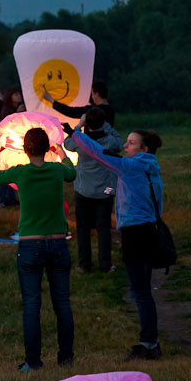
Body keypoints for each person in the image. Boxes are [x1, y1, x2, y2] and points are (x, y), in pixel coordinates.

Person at [70, 123, 165, 360]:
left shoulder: (132, 166)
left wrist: (76, 135)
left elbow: (98, 154)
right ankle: (151, 341)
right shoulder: (152, 168)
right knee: (144, 290)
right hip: (149, 231)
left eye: (131, 143)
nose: (125, 145)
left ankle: (148, 343)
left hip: (134, 234)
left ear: (143, 149)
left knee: (140, 292)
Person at [0, 128, 77, 371]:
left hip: (30, 244)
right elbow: (72, 173)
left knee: (31, 304)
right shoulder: (58, 169)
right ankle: (66, 358)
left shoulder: (21, 172)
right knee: (62, 303)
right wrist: (61, 153)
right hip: (59, 242)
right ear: (47, 147)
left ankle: (33, 361)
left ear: (25, 150)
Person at [63, 107, 123, 273]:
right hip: (106, 190)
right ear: (103, 123)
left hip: (83, 189)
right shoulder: (110, 140)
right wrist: (108, 126)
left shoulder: (81, 140)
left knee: (83, 228)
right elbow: (120, 142)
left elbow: (67, 143)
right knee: (104, 227)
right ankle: (105, 264)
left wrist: (78, 125)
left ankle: (84, 264)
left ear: (86, 124)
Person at [44, 81, 115, 126]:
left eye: (92, 94)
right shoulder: (111, 110)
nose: (92, 97)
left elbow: (71, 111)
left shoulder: (93, 110)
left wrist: (51, 100)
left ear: (97, 94)